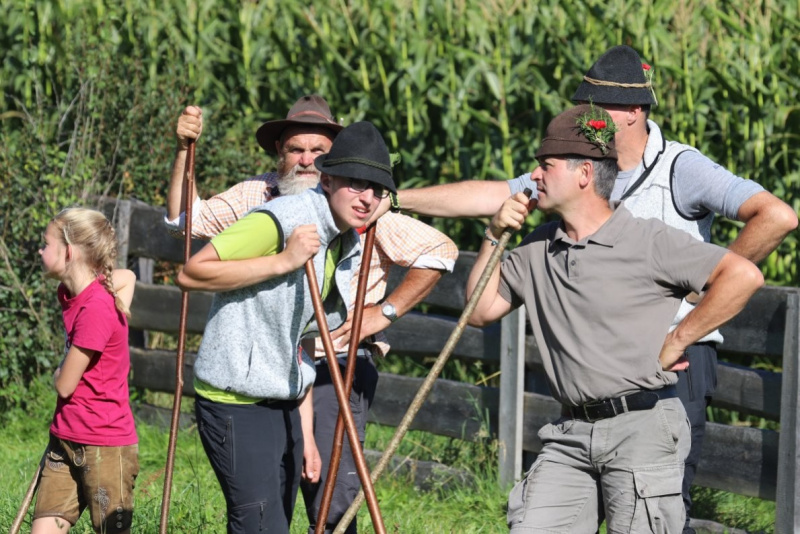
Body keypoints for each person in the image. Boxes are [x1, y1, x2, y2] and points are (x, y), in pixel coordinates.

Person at [384, 46, 798, 532]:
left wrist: (690, 308)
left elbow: (778, 216)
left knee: (660, 500)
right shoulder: (574, 165)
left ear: (634, 112)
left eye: (597, 106)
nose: (585, 114)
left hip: (674, 360)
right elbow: (492, 195)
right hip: (589, 384)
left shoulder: (678, 168)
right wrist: (394, 199)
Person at [467, 104, 764, 533]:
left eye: (545, 166)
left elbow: (742, 275)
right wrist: (493, 236)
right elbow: (479, 311)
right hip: (569, 432)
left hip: (643, 428)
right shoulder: (536, 247)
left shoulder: (647, 239)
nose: (534, 176)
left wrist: (679, 339)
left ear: (584, 174)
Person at [167, 96, 457, 533]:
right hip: (248, 387)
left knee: (325, 506)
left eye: (318, 151)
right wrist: (185, 151)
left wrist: (382, 313)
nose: (306, 160)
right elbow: (187, 229)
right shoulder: (267, 202)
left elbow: (439, 250)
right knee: (265, 518)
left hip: (315, 372)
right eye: (295, 149)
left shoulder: (355, 223)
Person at [33, 208, 138, 534]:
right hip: (65, 438)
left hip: (104, 446)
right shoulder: (70, 293)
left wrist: (57, 374)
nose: (40, 250)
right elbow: (129, 277)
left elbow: (64, 386)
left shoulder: (95, 309)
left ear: (69, 251)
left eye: (45, 243)